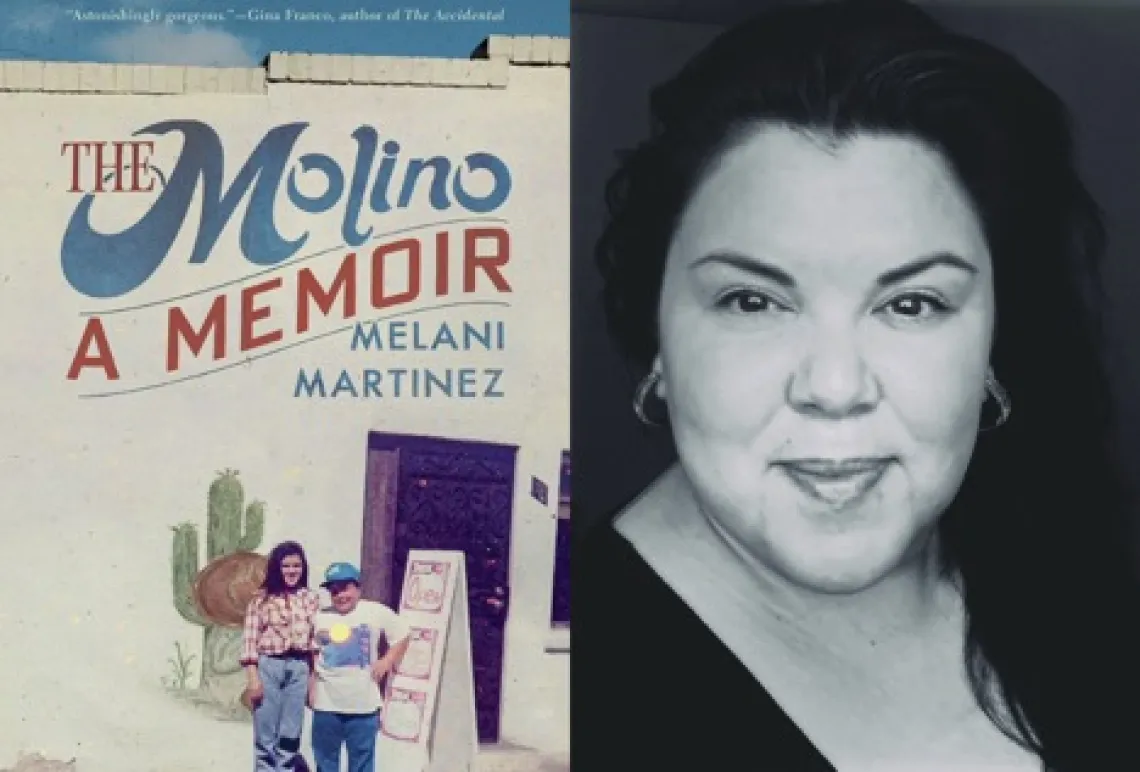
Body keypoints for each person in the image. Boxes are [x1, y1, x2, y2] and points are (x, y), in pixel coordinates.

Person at [574, 1, 1140, 770]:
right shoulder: (564, 704)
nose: (835, 388)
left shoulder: (1070, 562)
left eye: (912, 304)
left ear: (995, 339)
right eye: (753, 301)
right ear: (660, 338)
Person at [309, 562, 411, 772]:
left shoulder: (374, 611)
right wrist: (312, 690)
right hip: (327, 705)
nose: (340, 596)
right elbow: (314, 655)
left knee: (362, 763)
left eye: (345, 588)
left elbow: (403, 634)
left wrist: (387, 661)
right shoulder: (320, 617)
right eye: (334, 590)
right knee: (325, 762)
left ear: (358, 588)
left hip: (363, 706)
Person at [240, 540, 321, 772]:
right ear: (277, 568)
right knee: (266, 736)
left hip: (299, 667)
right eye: (286, 566)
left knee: (290, 735)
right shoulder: (260, 600)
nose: (292, 571)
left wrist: (313, 683)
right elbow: (249, 641)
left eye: (297, 565)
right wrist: (253, 680)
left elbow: (316, 643)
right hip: (269, 667)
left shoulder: (311, 599)